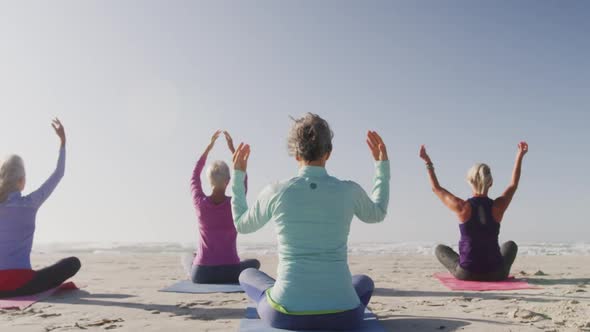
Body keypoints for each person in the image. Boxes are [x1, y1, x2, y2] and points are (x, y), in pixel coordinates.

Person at [231, 113, 390, 330]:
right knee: (363, 282)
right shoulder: (348, 191)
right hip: (345, 316)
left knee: (247, 274)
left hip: (286, 316)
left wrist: (238, 177)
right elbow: (378, 213)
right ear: (329, 153)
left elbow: (242, 224)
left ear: (295, 153)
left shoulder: (276, 191)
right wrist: (381, 167)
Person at [419, 142, 529, 281]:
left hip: (467, 274)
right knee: (510, 245)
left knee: (440, 249)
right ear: (491, 182)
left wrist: (428, 162)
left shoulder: (462, 207)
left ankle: (467, 263)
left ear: (469, 181)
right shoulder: (498, 206)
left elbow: (436, 189)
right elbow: (513, 185)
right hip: (496, 274)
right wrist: (519, 156)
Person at [0, 118, 81, 298]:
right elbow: (58, 174)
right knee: (73, 263)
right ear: (21, 180)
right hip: (22, 284)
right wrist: (63, 142)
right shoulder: (31, 202)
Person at [190, 130, 260, 284]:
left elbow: (195, 175)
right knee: (254, 263)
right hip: (231, 271)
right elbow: (242, 178)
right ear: (228, 181)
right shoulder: (236, 203)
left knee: (188, 258)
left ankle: (194, 260)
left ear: (209, 180)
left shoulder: (199, 203)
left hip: (202, 274)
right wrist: (233, 150)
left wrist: (209, 147)